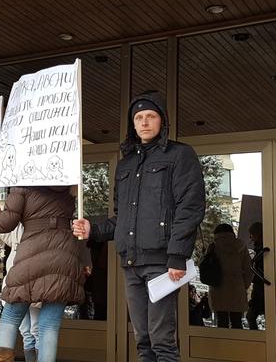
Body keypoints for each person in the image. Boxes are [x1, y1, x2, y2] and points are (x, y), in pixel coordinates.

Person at [73, 90, 205, 362]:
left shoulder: (180, 155)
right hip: (131, 263)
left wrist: (177, 255)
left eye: (151, 116)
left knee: (162, 342)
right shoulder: (126, 165)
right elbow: (121, 216)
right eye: (139, 117)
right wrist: (93, 231)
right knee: (142, 340)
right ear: (133, 124)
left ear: (161, 121)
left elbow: (190, 208)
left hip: (162, 263)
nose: (144, 122)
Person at [0, 186, 86, 362]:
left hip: (32, 255)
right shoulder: (67, 180)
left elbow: (6, 223)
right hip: (64, 256)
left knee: (11, 315)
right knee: (49, 326)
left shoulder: (24, 182)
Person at [0, 222, 40, 362]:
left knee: (36, 330)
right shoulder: (17, 223)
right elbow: (7, 237)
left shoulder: (39, 222)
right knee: (27, 332)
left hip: (35, 281)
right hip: (16, 282)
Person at [204, 224, 252, 329]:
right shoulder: (241, 246)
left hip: (218, 286)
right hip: (237, 286)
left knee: (222, 322)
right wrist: (244, 286)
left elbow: (206, 267)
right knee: (237, 321)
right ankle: (239, 344)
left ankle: (223, 345)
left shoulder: (213, 247)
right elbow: (248, 269)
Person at [245, 222, 265, 330]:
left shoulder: (263, 250)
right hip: (260, 285)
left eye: (252, 234)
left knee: (251, 316)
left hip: (261, 286)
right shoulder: (261, 249)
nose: (250, 238)